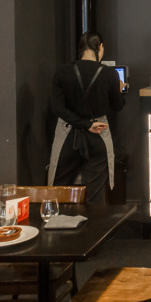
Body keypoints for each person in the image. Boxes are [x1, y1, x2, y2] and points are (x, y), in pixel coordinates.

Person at [48, 31, 126, 204]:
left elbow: (57, 108)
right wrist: (119, 89)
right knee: (96, 194)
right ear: (99, 47)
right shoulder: (109, 74)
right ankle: (94, 222)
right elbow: (117, 105)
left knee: (59, 190)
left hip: (68, 135)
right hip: (98, 134)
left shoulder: (62, 72)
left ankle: (56, 219)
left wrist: (83, 124)